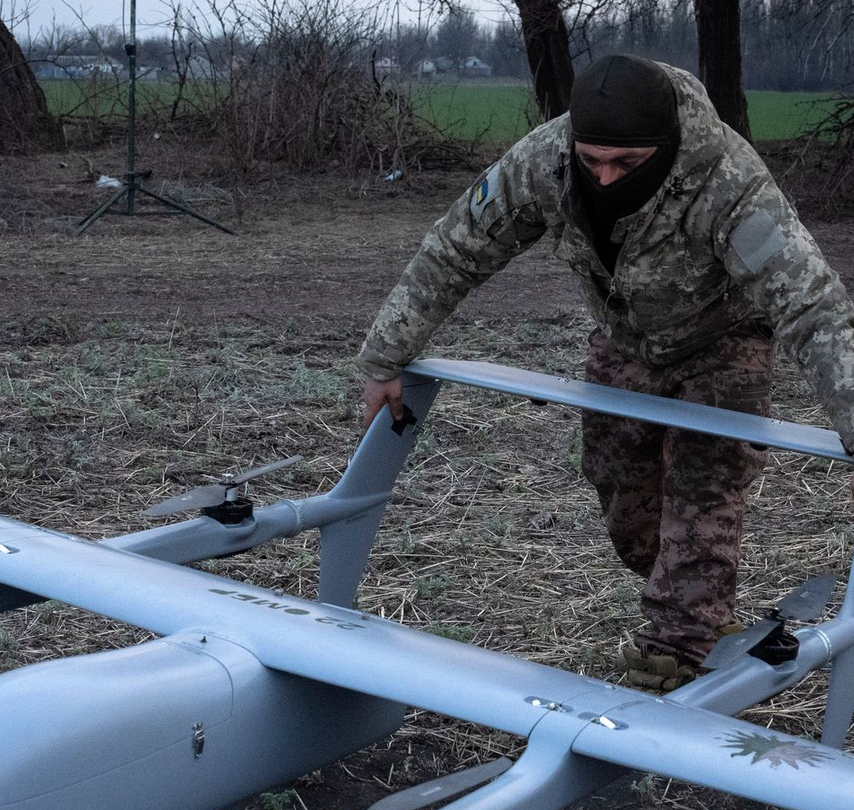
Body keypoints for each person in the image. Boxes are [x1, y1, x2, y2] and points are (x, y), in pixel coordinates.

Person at [358, 55, 854, 691]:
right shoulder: (544, 162)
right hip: (623, 340)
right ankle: (695, 601)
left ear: (667, 147)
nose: (605, 176)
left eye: (626, 164)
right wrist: (383, 357)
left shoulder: (729, 184)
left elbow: (813, 307)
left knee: (701, 495)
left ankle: (672, 654)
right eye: (593, 160)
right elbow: (458, 247)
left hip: (723, 342)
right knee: (623, 496)